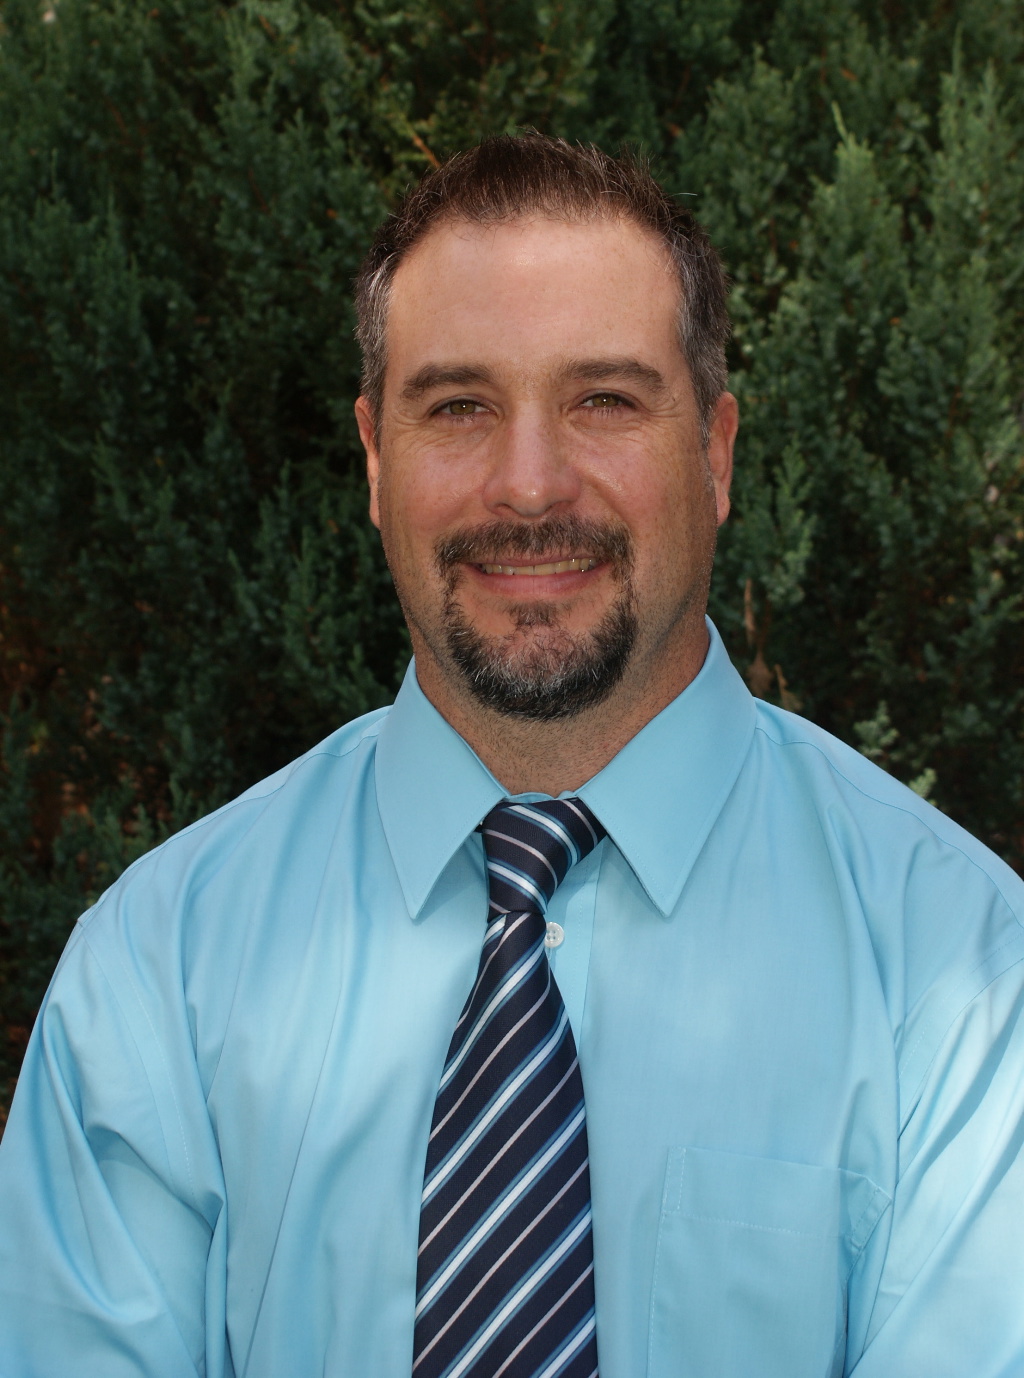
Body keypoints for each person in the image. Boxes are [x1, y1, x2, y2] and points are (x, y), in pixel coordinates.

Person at [1, 133, 1023, 1378]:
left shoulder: (963, 977)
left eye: (604, 401)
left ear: (714, 451)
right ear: (375, 458)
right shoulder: (158, 971)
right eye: (459, 408)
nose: (529, 488)